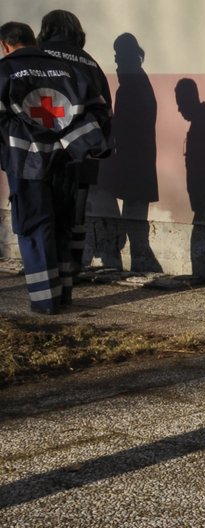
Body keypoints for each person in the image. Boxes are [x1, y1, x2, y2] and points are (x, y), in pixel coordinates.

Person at [1, 19, 111, 314]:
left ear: (5, 45)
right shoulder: (69, 69)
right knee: (62, 224)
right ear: (32, 40)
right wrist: (70, 142)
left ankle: (45, 302)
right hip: (67, 162)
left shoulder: (5, 70)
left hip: (27, 162)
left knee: (34, 227)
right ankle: (64, 295)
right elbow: (99, 111)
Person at [35, 9, 113, 294]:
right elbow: (105, 110)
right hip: (81, 153)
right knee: (75, 214)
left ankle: (47, 271)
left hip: (41, 151)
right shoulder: (89, 62)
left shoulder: (35, 56)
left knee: (45, 213)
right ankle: (73, 268)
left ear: (45, 29)